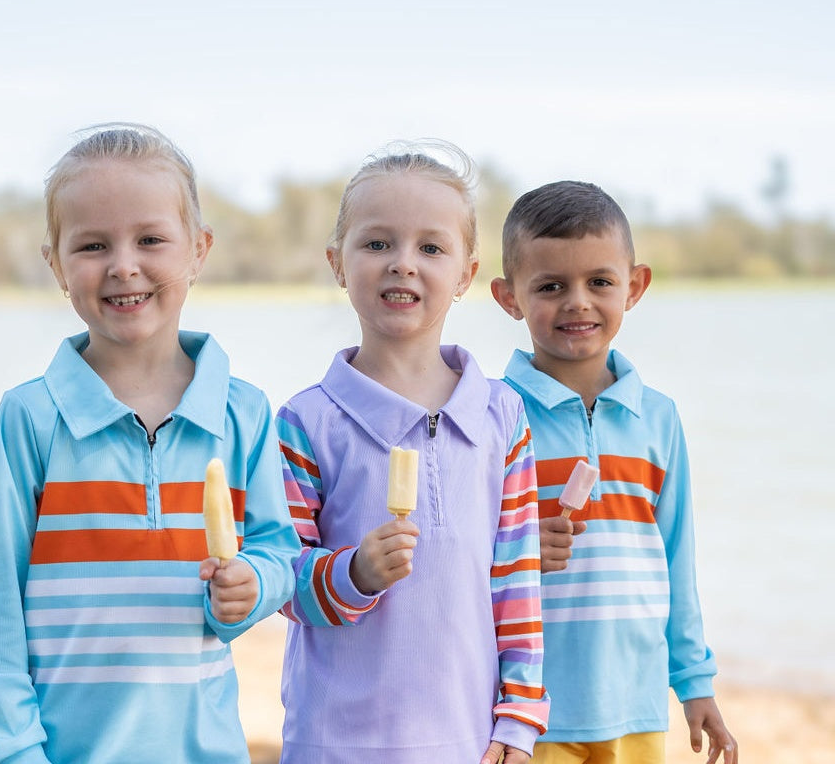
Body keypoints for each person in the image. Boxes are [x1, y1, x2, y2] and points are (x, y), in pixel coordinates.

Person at [0, 123, 300, 764]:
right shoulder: (30, 418)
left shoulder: (243, 412)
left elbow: (278, 552)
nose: (123, 265)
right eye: (91, 245)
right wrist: (14, 753)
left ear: (198, 250)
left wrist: (251, 586)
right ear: (56, 265)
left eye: (150, 239)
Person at [276, 141, 549, 764]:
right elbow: (283, 584)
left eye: (431, 248)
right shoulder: (305, 422)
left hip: (467, 737)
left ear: (465, 274)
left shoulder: (502, 416)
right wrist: (354, 574)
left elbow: (517, 581)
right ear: (337, 263)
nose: (403, 263)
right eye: (377, 244)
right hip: (334, 742)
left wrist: (520, 718)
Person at [489, 180, 738, 764]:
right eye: (551, 286)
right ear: (508, 297)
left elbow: (678, 557)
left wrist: (695, 683)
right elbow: (465, 553)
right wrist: (521, 545)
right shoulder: (494, 413)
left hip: (636, 702)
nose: (578, 301)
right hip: (528, 708)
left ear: (635, 285)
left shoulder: (658, 418)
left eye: (599, 282)